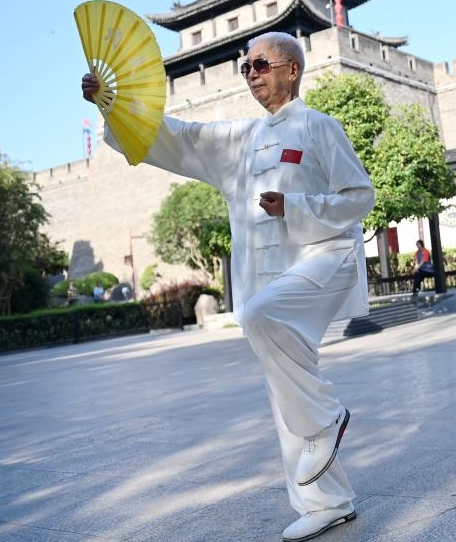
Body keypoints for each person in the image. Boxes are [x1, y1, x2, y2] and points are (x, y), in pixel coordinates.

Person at [81, 31, 373, 542]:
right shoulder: (239, 140)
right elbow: (174, 137)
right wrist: (112, 103)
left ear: (293, 70)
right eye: (246, 68)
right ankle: (328, 501)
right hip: (265, 280)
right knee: (283, 383)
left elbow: (360, 195)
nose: (252, 73)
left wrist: (296, 208)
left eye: (261, 64)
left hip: (323, 258)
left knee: (258, 315)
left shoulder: (320, 128)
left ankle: (328, 416)